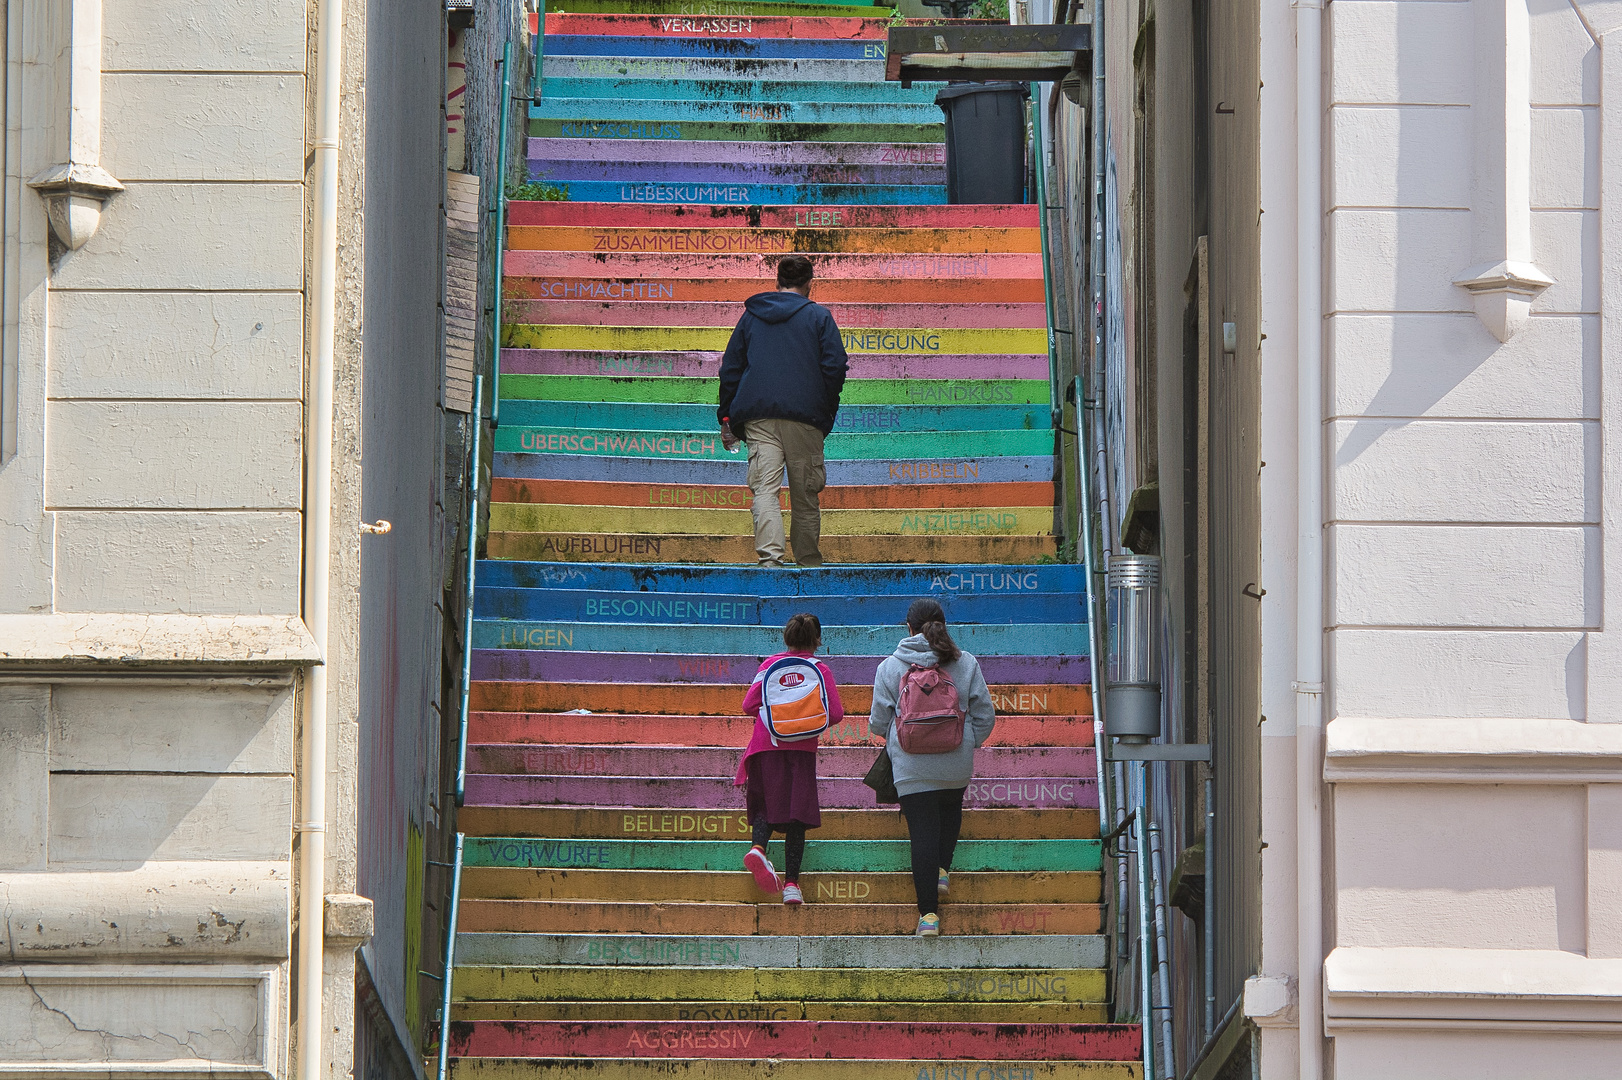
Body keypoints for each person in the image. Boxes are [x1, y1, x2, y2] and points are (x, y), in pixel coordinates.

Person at [867, 599, 996, 937]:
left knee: (922, 835)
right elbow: (985, 715)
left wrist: (900, 743)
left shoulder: (889, 667)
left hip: (911, 766)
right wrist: (967, 741)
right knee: (951, 811)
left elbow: (879, 721)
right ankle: (942, 869)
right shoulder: (964, 662)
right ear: (943, 624)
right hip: (956, 761)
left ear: (907, 628)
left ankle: (928, 917)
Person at [716, 254, 850, 567]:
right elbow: (835, 367)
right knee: (805, 496)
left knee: (764, 491)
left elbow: (731, 368)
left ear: (778, 282)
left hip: (758, 417)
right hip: (806, 418)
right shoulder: (819, 317)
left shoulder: (752, 316)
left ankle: (770, 562)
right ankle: (808, 563)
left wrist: (726, 419)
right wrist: (824, 409)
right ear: (809, 285)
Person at [734, 612, 844, 905]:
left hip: (765, 744)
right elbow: (835, 714)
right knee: (798, 813)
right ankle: (792, 885)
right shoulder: (820, 669)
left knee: (767, 803)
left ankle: (758, 848)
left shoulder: (769, 665)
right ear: (817, 640)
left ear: (787, 637)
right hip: (801, 749)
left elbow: (748, 705)